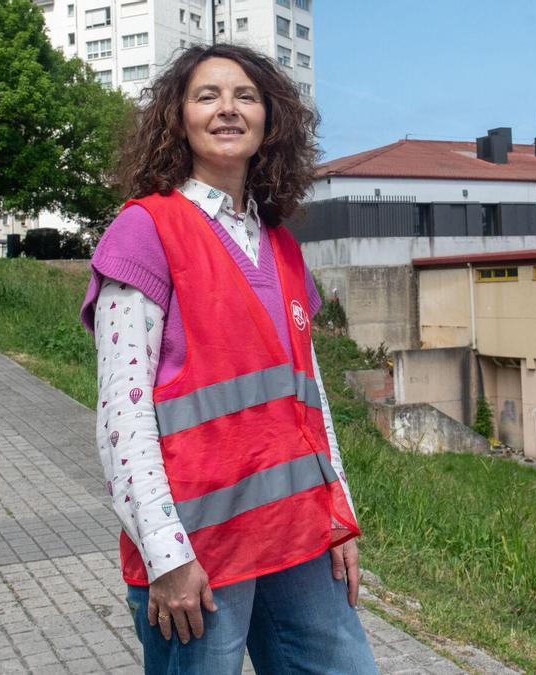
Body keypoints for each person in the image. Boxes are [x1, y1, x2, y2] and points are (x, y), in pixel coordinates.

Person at [79, 43, 377, 674]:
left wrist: (338, 515)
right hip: (196, 554)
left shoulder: (282, 246)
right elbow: (121, 417)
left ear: (270, 119)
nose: (227, 109)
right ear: (177, 118)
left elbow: (310, 402)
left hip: (298, 541)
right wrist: (167, 558)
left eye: (246, 96)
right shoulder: (145, 230)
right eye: (207, 96)